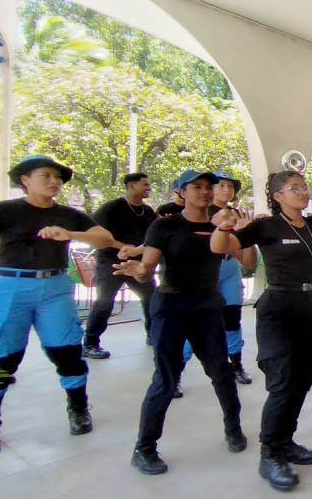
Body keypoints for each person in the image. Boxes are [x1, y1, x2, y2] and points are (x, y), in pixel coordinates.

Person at [0, 155, 114, 455]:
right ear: (25, 180)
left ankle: (78, 408)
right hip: (9, 288)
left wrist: (71, 234)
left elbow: (104, 238)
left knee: (67, 352)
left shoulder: (68, 214)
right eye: (46, 175)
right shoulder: (0, 211)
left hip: (55, 288)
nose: (54, 182)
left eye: (58, 178)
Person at [211, 170, 312, 492]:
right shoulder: (266, 226)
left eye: (304, 186)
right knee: (282, 380)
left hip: (306, 305)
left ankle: (285, 441)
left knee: (305, 374)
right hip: (277, 308)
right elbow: (220, 247)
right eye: (295, 188)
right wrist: (223, 227)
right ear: (278, 196)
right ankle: (269, 453)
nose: (303, 192)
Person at [114, 170, 246, 475]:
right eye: (196, 187)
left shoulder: (220, 225)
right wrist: (140, 271)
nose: (205, 191)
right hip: (172, 306)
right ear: (181, 192)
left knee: (222, 373)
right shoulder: (165, 225)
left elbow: (243, 257)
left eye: (209, 187)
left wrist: (238, 232)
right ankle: (144, 448)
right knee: (166, 379)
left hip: (207, 307)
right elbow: (148, 267)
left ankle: (233, 428)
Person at [175, 171, 256, 398]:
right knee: (192, 325)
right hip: (202, 275)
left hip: (229, 270)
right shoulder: (197, 214)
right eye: (220, 186)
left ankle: (236, 364)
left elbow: (248, 260)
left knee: (232, 319)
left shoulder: (238, 215)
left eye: (230, 187)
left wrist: (247, 235)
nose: (225, 190)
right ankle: (175, 373)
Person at [83, 173, 157, 357]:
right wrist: (124, 247)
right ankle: (90, 344)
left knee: (152, 298)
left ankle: (154, 335)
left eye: (149, 184)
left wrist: (141, 254)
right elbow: (96, 235)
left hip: (137, 264)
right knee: (105, 302)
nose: (149, 188)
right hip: (111, 263)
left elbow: (153, 237)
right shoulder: (111, 208)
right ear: (131, 186)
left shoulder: (148, 211)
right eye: (145, 184)